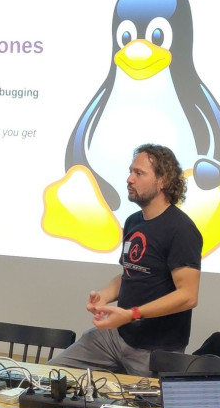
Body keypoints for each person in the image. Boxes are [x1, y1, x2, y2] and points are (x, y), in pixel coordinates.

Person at [49, 143, 203, 377]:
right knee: (50, 376)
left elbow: (188, 296)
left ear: (162, 181)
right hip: (116, 336)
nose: (129, 179)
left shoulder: (181, 229)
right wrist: (105, 295)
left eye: (139, 173)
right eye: (130, 171)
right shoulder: (133, 222)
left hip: (155, 351)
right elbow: (131, 274)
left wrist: (133, 314)